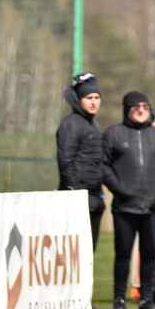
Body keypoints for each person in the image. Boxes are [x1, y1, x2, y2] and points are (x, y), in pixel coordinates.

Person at [102, 91, 155, 309]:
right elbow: (103, 165)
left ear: (150, 109)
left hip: (153, 206)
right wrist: (118, 188)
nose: (141, 110)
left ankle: (146, 299)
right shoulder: (114, 134)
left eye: (145, 106)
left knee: (149, 253)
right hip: (124, 206)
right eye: (135, 106)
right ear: (127, 110)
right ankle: (119, 301)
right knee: (123, 254)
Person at [56, 72, 106, 250]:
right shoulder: (71, 124)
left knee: (88, 255)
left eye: (97, 97)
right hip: (77, 200)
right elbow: (65, 161)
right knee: (73, 255)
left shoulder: (94, 125)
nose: (94, 102)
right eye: (89, 97)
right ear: (78, 100)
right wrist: (74, 195)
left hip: (94, 199)